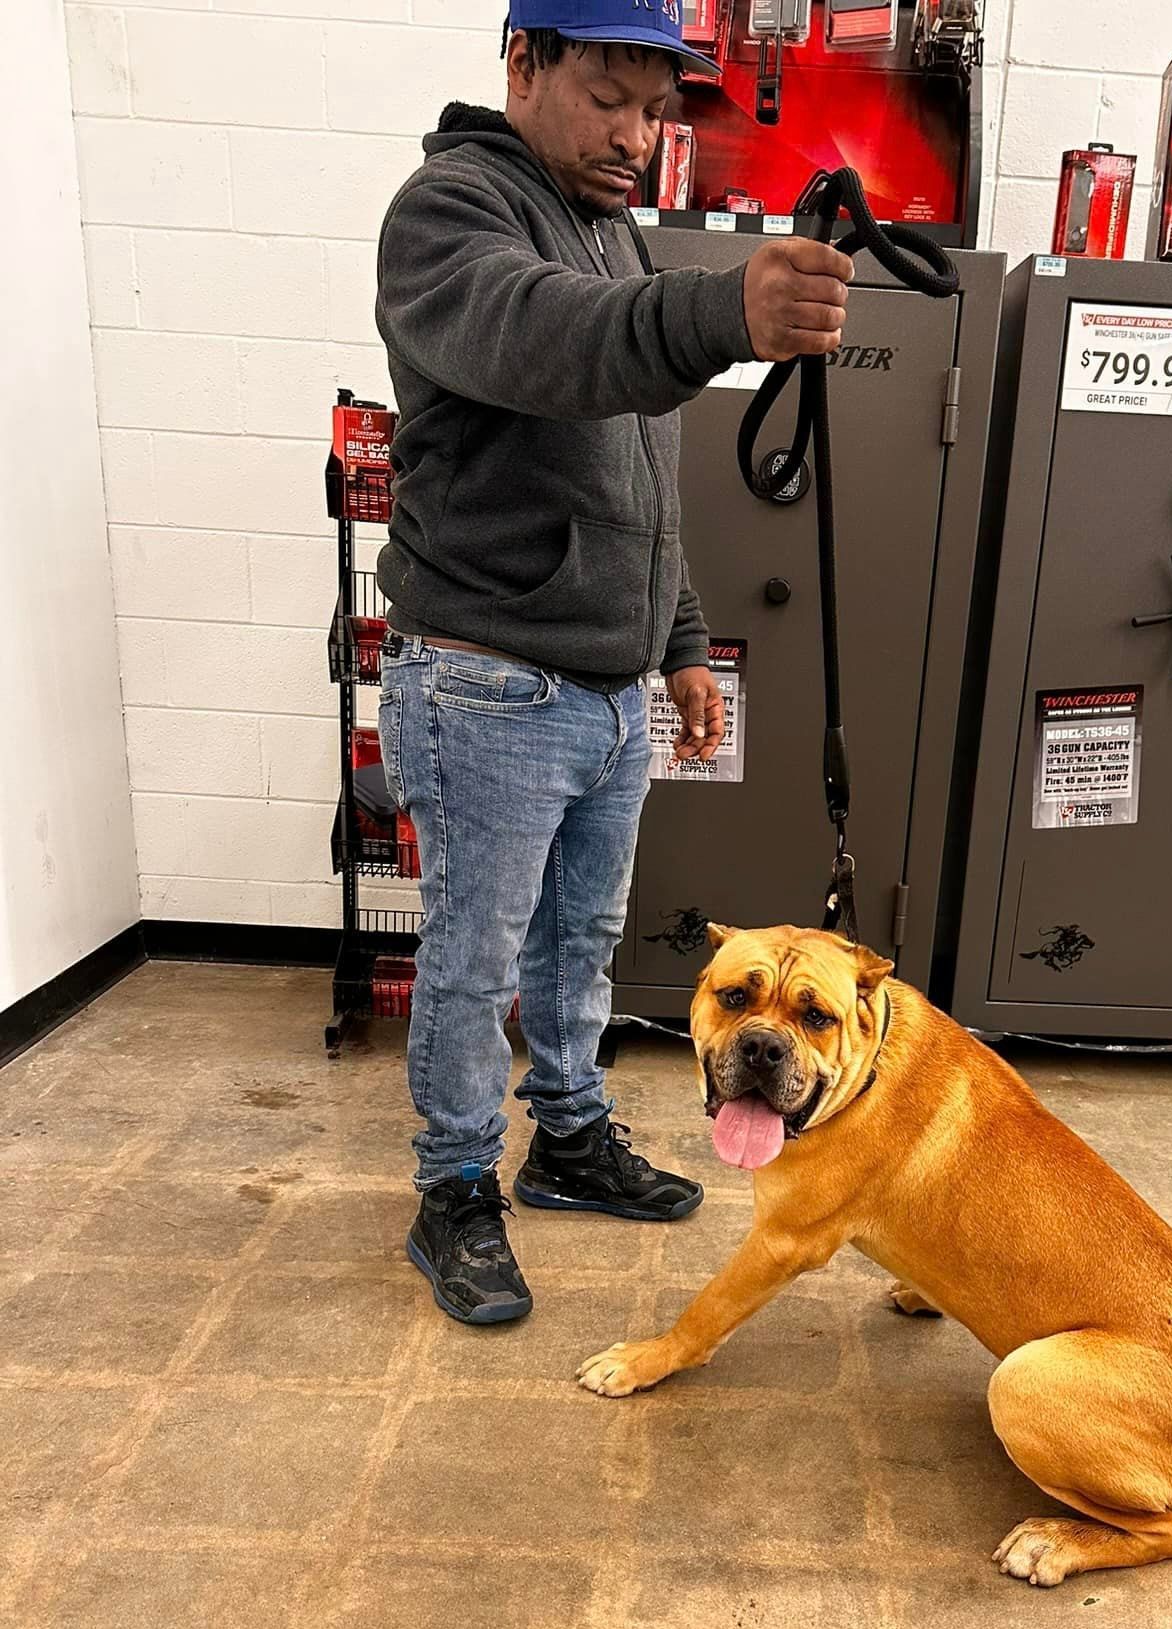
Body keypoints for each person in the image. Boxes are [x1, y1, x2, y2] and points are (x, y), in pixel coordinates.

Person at [374, 0, 854, 1324]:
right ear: (523, 63)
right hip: (487, 685)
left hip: (606, 688)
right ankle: (455, 1189)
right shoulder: (448, 215)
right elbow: (544, 338)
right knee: (475, 961)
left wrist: (682, 642)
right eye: (610, 97)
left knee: (579, 944)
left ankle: (569, 1142)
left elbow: (641, 467)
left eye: (658, 109)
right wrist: (715, 310)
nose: (640, 135)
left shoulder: (608, 227)